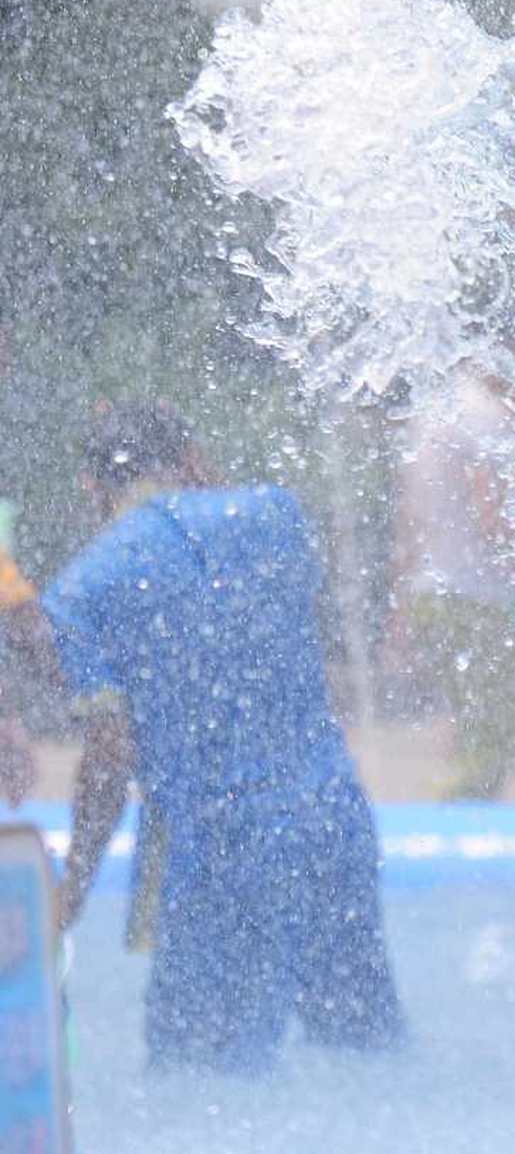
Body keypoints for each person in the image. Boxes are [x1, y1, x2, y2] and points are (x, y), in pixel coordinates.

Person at [2, 402, 405, 1071]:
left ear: (91, 489)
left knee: (203, 1076)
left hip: (221, 849)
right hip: (335, 822)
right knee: (363, 1050)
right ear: (191, 457)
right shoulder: (276, 514)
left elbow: (110, 753)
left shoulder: (80, 591)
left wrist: (73, 887)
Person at [389, 362, 515, 799]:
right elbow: (489, 505)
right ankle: (473, 823)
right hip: (478, 595)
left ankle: (455, 807)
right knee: (493, 735)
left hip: (430, 592)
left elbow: (407, 510)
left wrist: (400, 597)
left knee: (461, 717)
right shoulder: (485, 413)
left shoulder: (431, 409)